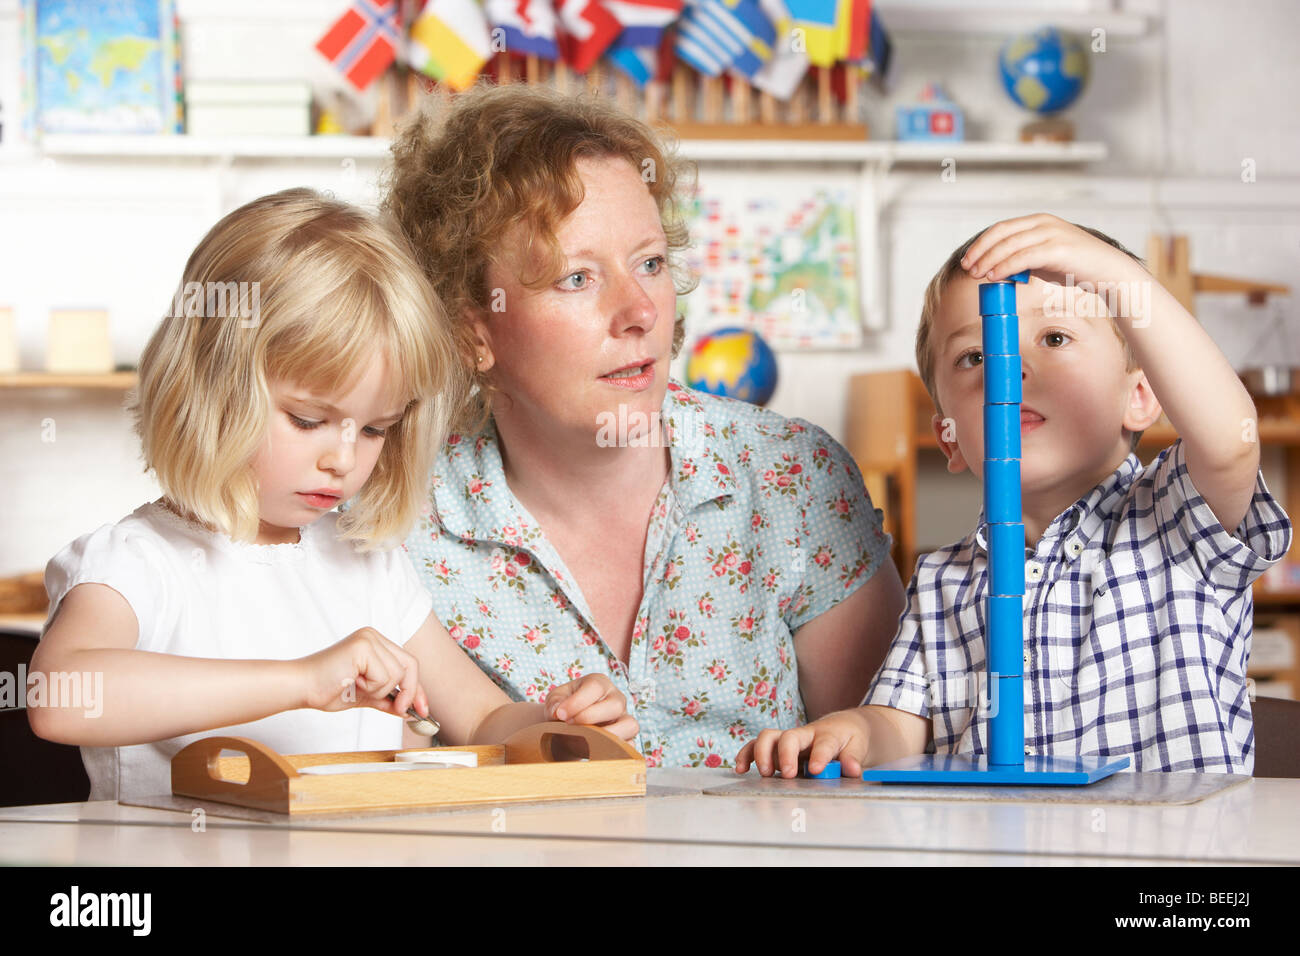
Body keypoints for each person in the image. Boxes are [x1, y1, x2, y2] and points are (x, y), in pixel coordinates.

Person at [29, 188, 635, 801]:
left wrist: (560, 723)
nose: (343, 459)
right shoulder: (139, 562)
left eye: (374, 429)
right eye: (307, 419)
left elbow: (481, 721)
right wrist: (303, 680)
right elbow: (58, 698)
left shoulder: (366, 565)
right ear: (210, 384)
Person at [384, 84, 906, 768]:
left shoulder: (792, 477)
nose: (639, 312)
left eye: (650, 263)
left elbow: (894, 753)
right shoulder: (401, 518)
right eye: (577, 278)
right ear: (470, 327)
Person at [737, 214, 1293, 777]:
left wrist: (1111, 275)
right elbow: (901, 723)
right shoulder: (941, 582)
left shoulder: (1176, 519)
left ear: (1142, 397)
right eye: (973, 358)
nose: (1011, 367)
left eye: (1055, 338)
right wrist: (848, 732)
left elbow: (1229, 440)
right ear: (949, 438)